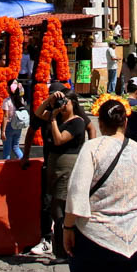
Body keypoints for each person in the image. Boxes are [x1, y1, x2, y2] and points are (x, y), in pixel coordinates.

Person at [65, 99, 137, 272]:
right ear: (125, 122)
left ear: (101, 123)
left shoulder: (92, 148)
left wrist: (67, 227)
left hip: (93, 237)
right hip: (133, 239)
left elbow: (77, 191)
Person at [36, 88, 90, 260]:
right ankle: (61, 247)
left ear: (73, 103)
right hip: (54, 163)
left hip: (67, 165)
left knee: (60, 206)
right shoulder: (58, 117)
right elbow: (38, 113)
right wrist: (50, 100)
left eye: (65, 102)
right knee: (54, 205)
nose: (62, 105)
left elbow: (59, 140)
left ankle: (64, 248)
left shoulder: (77, 122)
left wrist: (52, 118)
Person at [2, 82, 31, 161]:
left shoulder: (6, 101)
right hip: (18, 125)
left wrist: (3, 131)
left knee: (7, 150)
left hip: (9, 125)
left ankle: (6, 167)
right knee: (16, 147)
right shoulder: (21, 99)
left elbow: (5, 116)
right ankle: (24, 161)